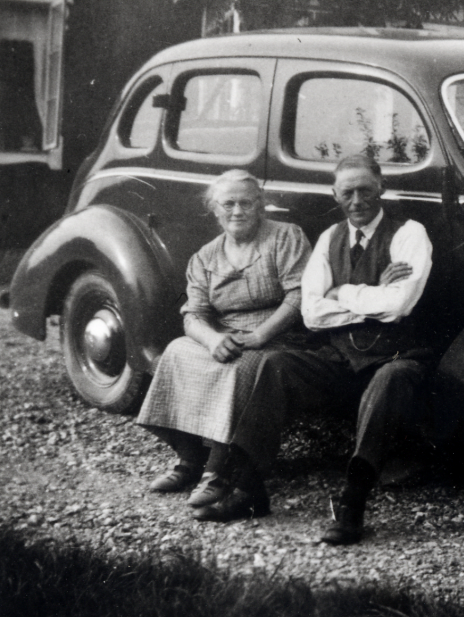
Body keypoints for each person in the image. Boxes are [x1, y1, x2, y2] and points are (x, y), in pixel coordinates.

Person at [191, 155, 434, 547]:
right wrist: (369, 295)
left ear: (382, 188)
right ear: (336, 195)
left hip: (395, 357)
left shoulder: (409, 233)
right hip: (340, 359)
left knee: (392, 378)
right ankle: (250, 491)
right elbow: (312, 313)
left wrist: (342, 292)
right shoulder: (330, 237)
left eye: (366, 190)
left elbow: (398, 306)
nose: (357, 200)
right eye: (348, 193)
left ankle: (352, 506)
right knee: (276, 364)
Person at [138, 169, 311, 511]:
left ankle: (217, 472)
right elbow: (194, 315)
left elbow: (299, 296)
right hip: (225, 335)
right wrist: (213, 339)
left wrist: (260, 334)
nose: (237, 211)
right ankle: (190, 460)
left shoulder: (285, 237)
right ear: (214, 210)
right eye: (228, 203)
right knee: (176, 352)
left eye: (246, 202)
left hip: (279, 336)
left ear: (260, 206)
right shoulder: (205, 256)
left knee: (240, 366)